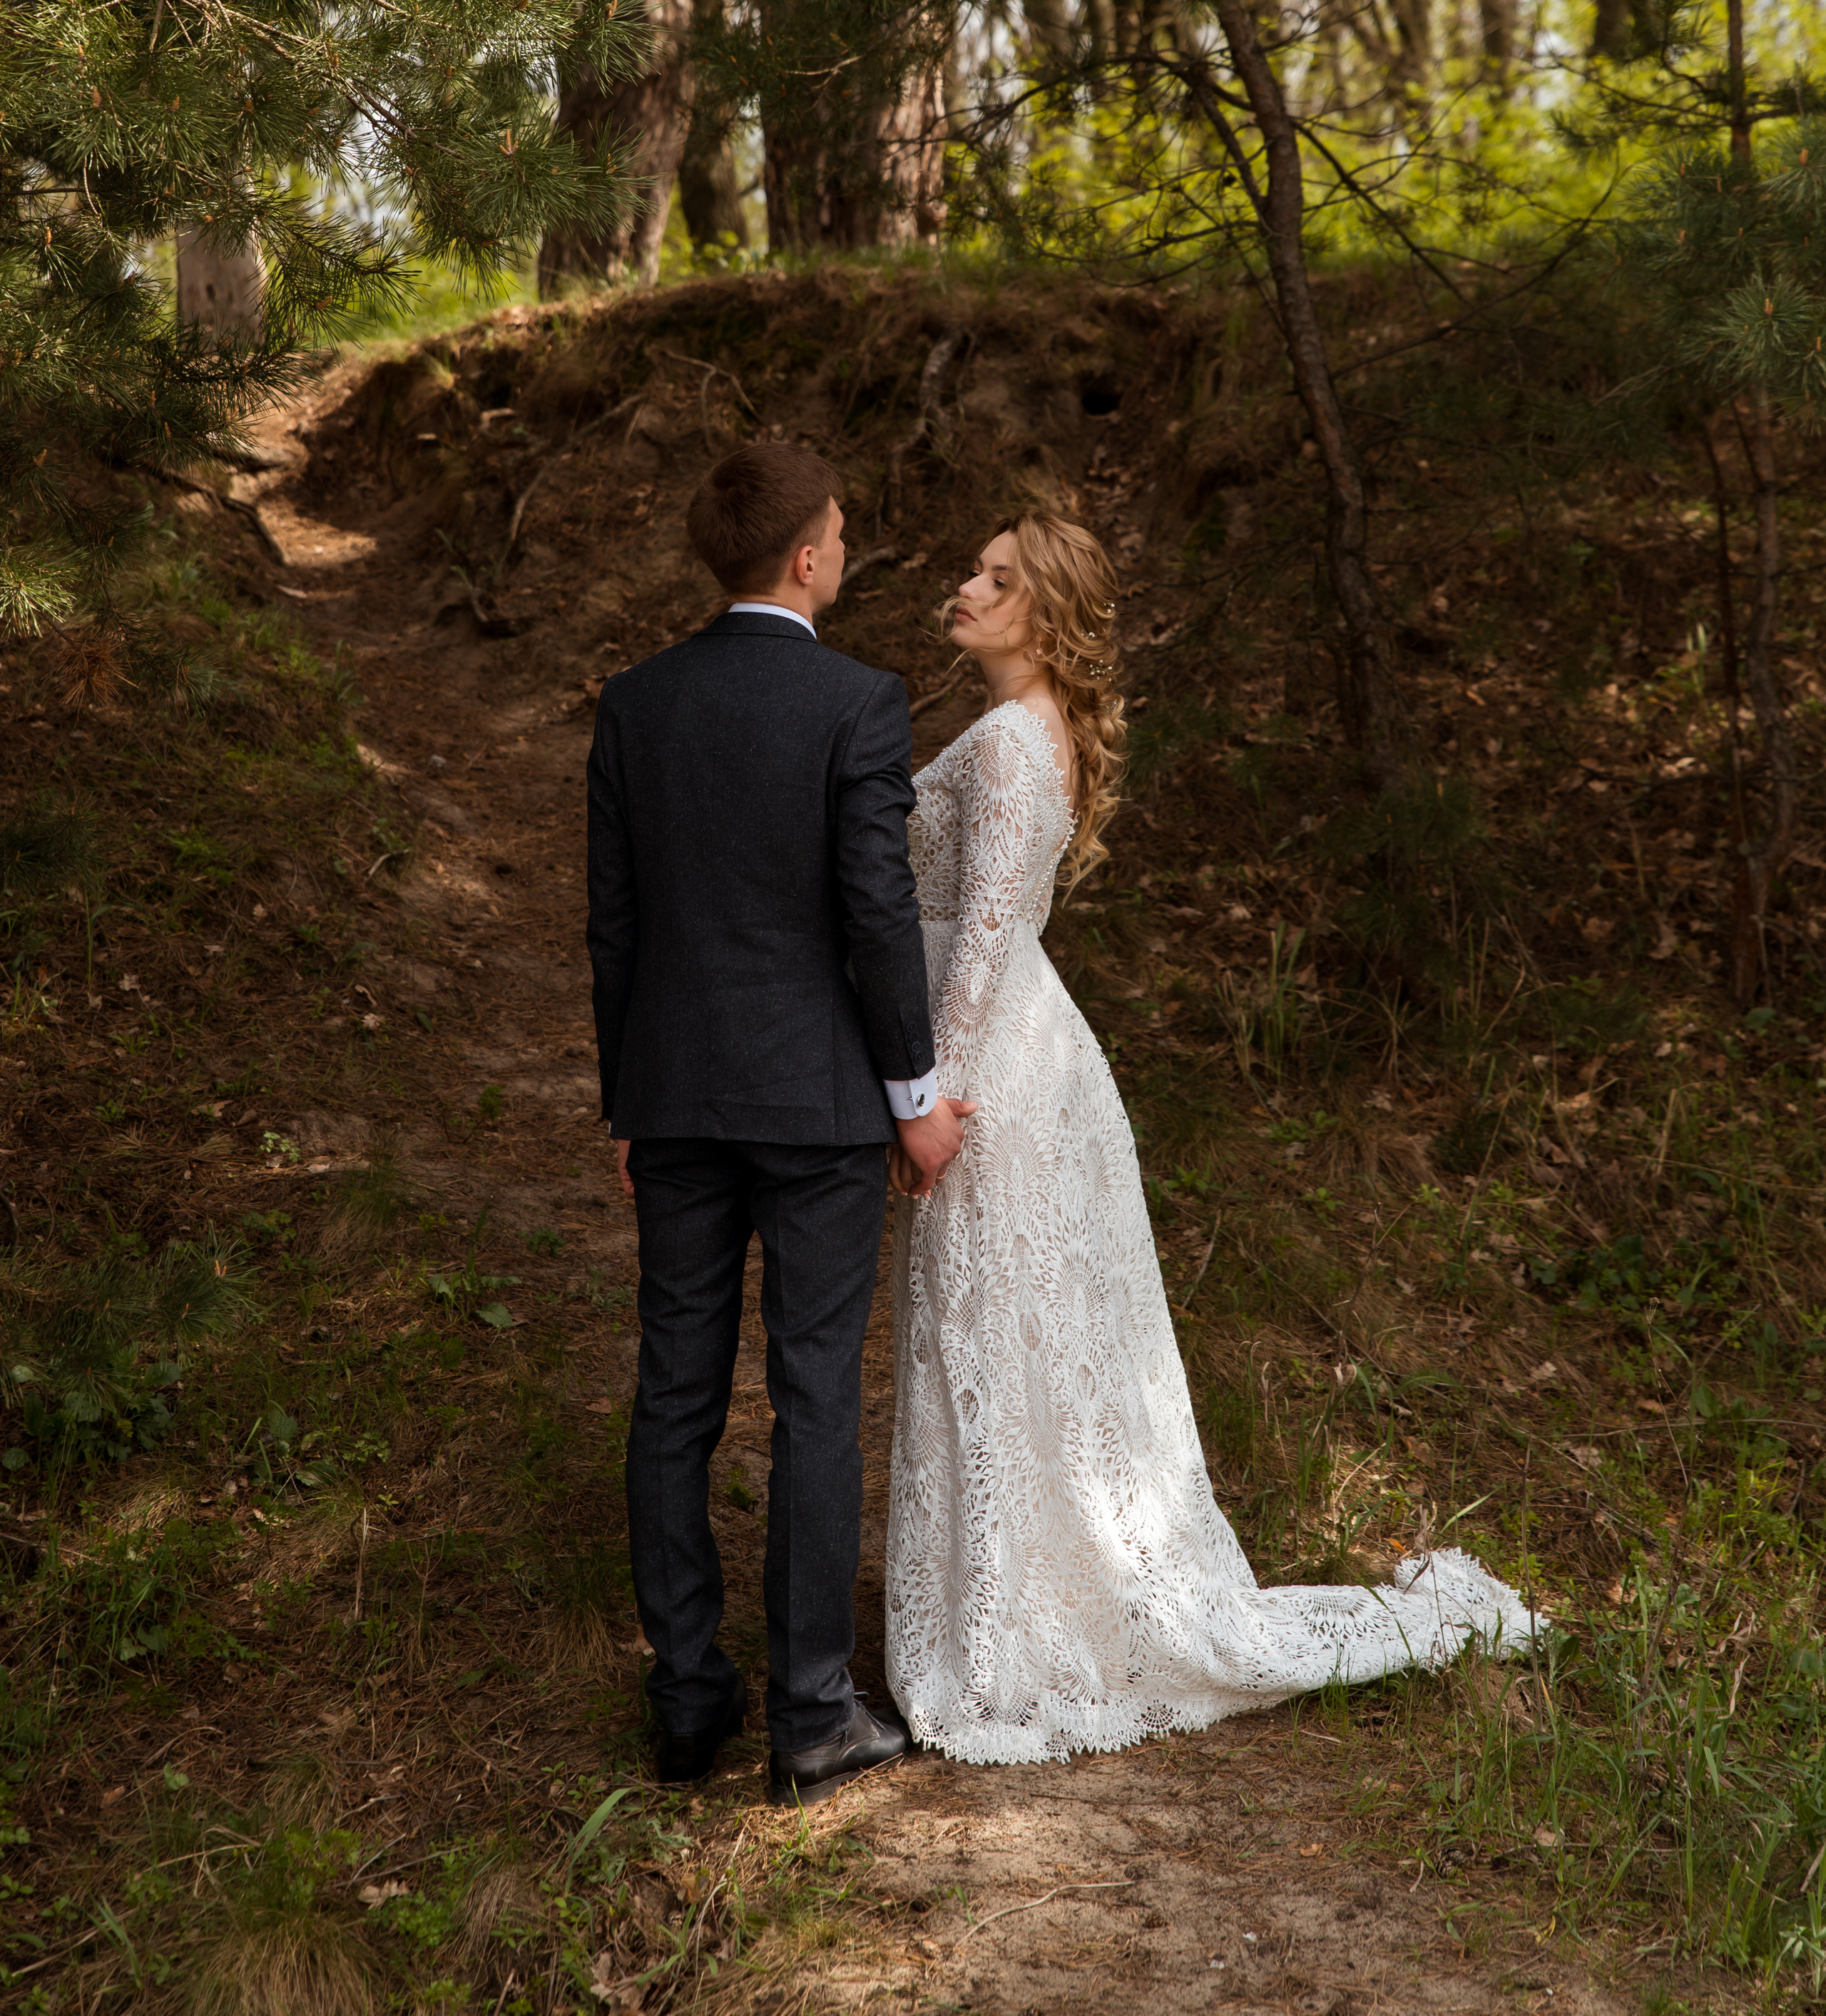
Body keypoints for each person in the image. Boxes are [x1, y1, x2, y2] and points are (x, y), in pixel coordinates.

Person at [885, 512, 1531, 1763]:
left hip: (995, 1070)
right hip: (1020, 1053)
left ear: (1046, 618)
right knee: (1011, 1338)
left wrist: (935, 1103)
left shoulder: (1016, 742)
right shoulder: (1025, 728)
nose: (965, 585)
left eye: (998, 579)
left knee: (996, 1332)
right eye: (974, 567)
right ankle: (1016, 1603)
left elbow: (986, 936)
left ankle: (1021, 1633)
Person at [586, 443, 974, 1806]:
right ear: (806, 558)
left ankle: (687, 1701)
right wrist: (916, 1099)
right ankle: (811, 1715)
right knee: (813, 1395)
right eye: (843, 533)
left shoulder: (636, 703)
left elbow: (615, 922)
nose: (847, 550)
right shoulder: (857, 700)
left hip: (676, 1094)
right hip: (817, 1107)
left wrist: (626, 1098)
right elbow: (876, 911)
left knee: (675, 1390)